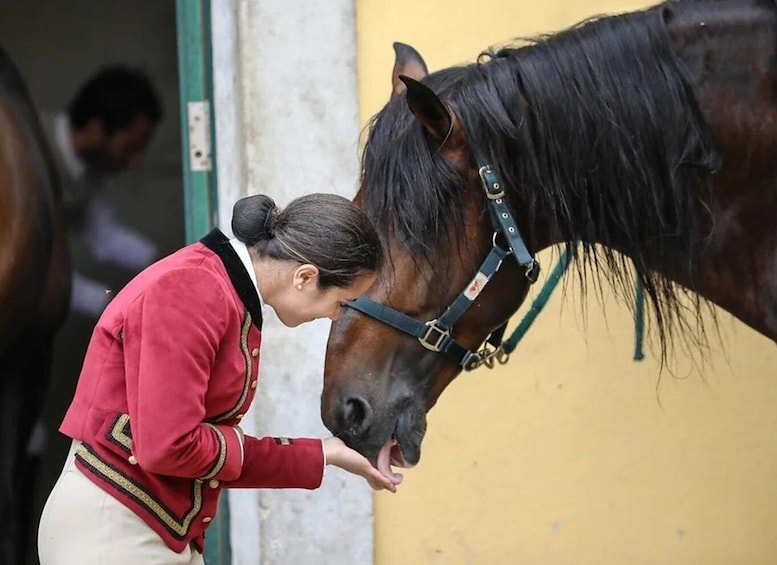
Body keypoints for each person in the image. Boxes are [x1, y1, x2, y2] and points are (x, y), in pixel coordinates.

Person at [37, 193, 401, 565]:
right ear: (305, 276)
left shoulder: (218, 288)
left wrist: (327, 453)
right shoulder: (192, 288)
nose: (336, 317)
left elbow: (198, 451)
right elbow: (170, 445)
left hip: (149, 528)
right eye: (341, 303)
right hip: (112, 528)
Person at [43, 64, 164, 316]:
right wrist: (113, 304)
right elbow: (38, 272)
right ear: (97, 130)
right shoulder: (28, 152)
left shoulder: (86, 171)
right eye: (130, 147)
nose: (135, 161)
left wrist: (168, 262)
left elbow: (102, 236)